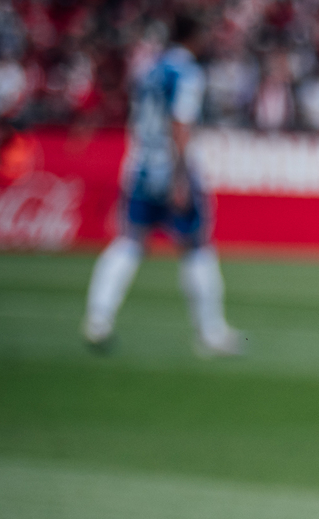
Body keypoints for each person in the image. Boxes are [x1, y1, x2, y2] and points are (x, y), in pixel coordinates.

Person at [81, 12, 243, 358]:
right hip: (170, 169)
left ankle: (98, 318)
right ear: (195, 36)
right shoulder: (186, 73)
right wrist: (181, 178)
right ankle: (210, 332)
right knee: (196, 245)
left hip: (140, 166)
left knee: (129, 241)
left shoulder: (150, 68)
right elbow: (180, 125)